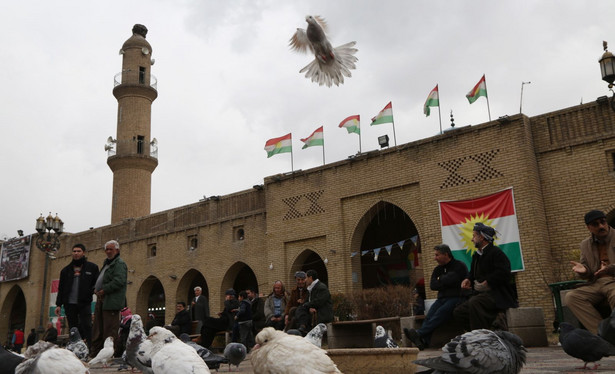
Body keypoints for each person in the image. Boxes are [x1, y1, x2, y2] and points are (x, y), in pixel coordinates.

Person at [453, 222, 518, 331]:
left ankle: (481, 336)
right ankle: (481, 332)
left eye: (474, 236)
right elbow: (472, 273)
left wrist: (488, 281)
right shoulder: (476, 255)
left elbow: (504, 273)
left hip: (497, 294)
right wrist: (468, 279)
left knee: (475, 303)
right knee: (459, 312)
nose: (472, 239)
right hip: (481, 294)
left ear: (482, 237)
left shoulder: (496, 253)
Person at [404, 244, 469, 350]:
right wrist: (444, 279)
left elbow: (453, 279)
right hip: (441, 299)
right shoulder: (437, 269)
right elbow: (433, 285)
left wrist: (441, 279)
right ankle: (424, 341)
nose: (435, 258)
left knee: (440, 314)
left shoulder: (459, 266)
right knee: (430, 315)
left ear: (446, 254)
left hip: (456, 298)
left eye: (437, 255)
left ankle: (419, 334)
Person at [565, 210, 615, 334]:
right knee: (572, 297)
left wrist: (609, 269)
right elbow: (587, 268)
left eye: (603, 222)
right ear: (589, 227)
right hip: (595, 283)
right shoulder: (585, 245)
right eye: (596, 224)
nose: (601, 226)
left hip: (613, 281)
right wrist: (584, 271)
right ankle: (602, 334)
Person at [54, 243, 99, 348]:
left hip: (84, 302)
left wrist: (91, 291)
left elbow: (96, 283)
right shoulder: (65, 270)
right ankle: (74, 348)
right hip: (69, 304)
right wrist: (58, 304)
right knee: (73, 328)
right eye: (74, 251)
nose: (76, 253)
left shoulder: (92, 267)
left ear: (83, 253)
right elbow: (61, 288)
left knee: (87, 326)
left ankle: (92, 349)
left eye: (78, 251)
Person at [91, 240, 128, 358]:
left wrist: (104, 289)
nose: (108, 251)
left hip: (111, 301)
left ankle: (111, 355)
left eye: (110, 249)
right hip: (101, 299)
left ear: (117, 250)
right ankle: (96, 354)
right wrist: (96, 289)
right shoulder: (107, 263)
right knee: (98, 328)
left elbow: (119, 281)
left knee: (110, 330)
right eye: (106, 249)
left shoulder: (119, 263)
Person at [294, 269, 334, 335]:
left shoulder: (321, 287)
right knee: (298, 309)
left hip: (322, 312)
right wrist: (307, 306)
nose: (305, 280)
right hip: (314, 309)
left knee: (302, 308)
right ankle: (302, 327)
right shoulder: (311, 288)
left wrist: (307, 305)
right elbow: (308, 301)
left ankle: (303, 328)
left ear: (310, 278)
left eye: (306, 278)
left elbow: (319, 301)